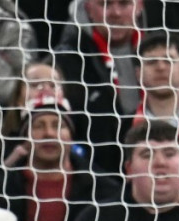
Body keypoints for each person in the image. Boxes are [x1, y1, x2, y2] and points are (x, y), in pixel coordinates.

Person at [0, 93, 118, 221]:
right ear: (26, 136)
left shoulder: (103, 192)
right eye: (39, 126)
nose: (49, 133)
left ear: (71, 135)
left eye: (58, 125)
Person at [55, 0, 144, 173]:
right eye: (105, 4)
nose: (115, 13)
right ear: (88, 8)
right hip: (95, 179)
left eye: (124, 4)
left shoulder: (163, 52)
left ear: (140, 7)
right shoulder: (67, 61)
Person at [133, 31, 179, 182]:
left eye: (169, 60)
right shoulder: (122, 126)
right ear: (138, 73)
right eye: (151, 62)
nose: (160, 67)